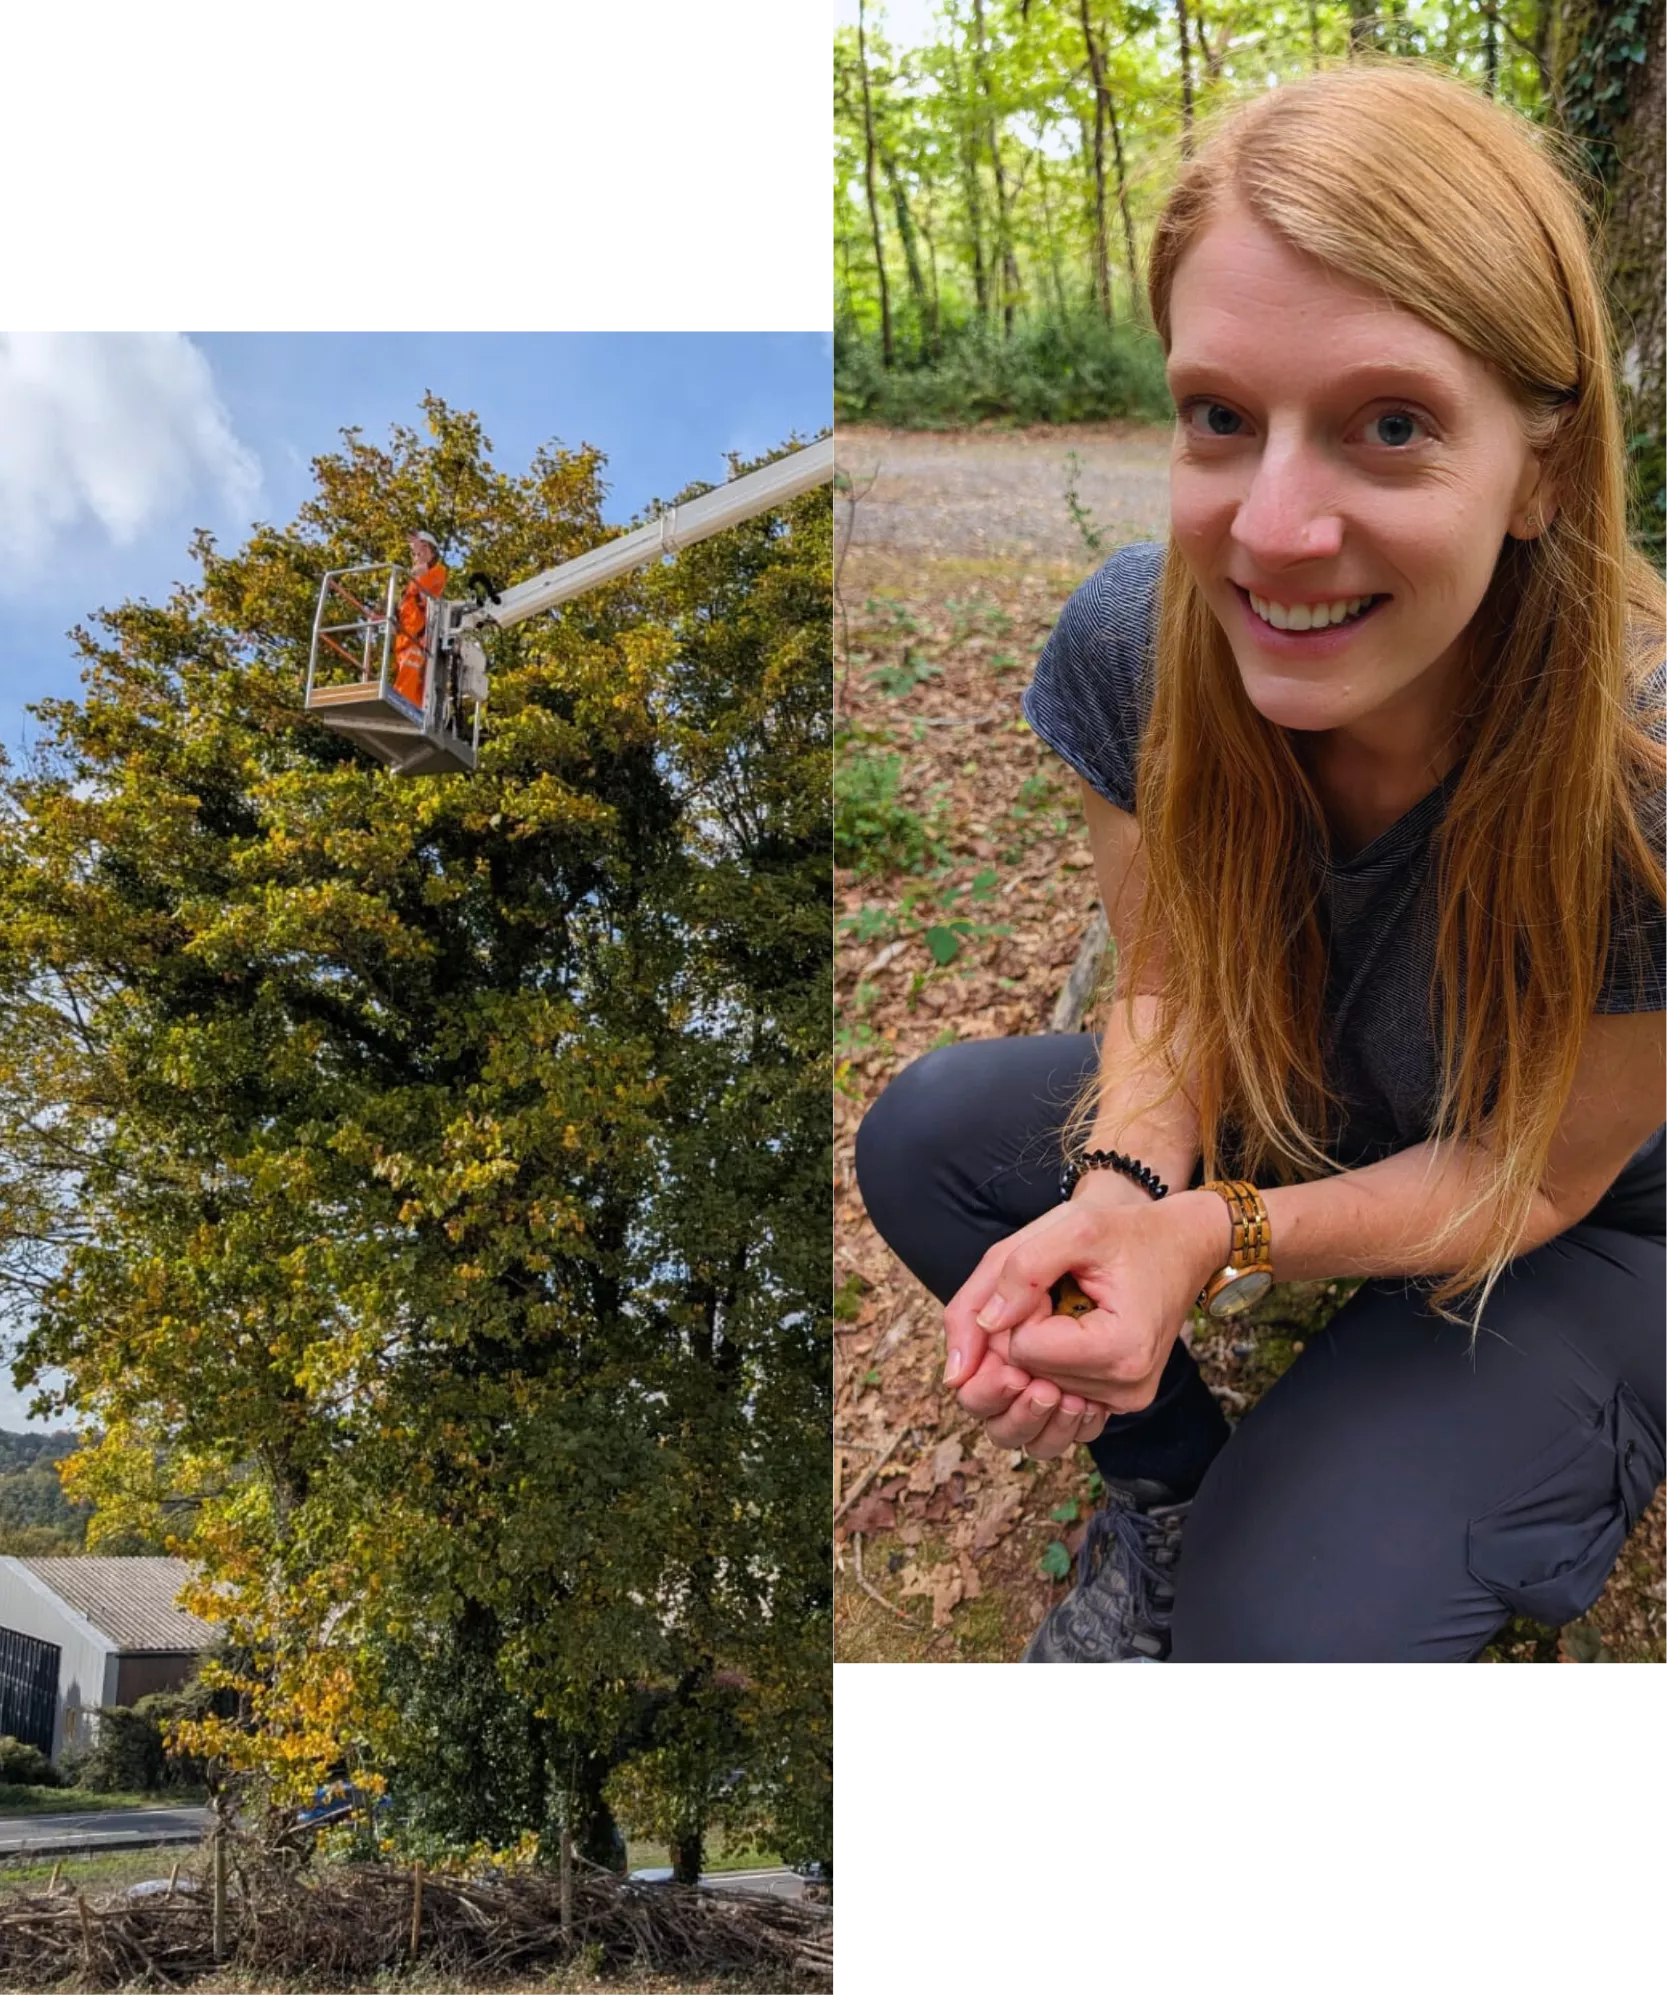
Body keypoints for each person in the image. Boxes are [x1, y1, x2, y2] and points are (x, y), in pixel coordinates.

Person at [854, 56, 1667, 1665]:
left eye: (1389, 425)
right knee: (930, 1141)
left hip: (1581, 1210)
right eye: (1219, 418)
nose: (1274, 530)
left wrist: (1213, 1234)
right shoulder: (1136, 647)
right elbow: (1165, 993)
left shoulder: (1640, 770)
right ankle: (1164, 1484)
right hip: (1338, 1097)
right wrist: (1122, 1198)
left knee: (1278, 1632)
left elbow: (1538, 1174)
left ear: (1540, 467)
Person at [391, 529, 448, 710]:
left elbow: (425, 588)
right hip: (404, 640)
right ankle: (411, 710)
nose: (418, 554)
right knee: (408, 683)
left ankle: (401, 709)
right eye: (415, 552)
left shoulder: (437, 572)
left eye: (424, 548)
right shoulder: (410, 582)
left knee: (406, 686)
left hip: (417, 638)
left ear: (433, 553)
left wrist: (421, 562)